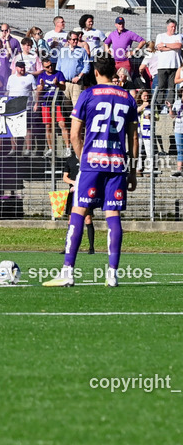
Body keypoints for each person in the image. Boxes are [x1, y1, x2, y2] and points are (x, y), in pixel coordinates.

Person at [44, 54, 138, 288]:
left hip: (91, 163)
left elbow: (75, 134)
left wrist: (81, 159)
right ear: (114, 71)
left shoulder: (87, 95)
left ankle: (68, 271)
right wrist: (133, 170)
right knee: (113, 215)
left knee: (78, 211)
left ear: (95, 72)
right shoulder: (128, 98)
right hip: (117, 163)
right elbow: (134, 137)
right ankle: (112, 275)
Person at [62, 151, 95, 256]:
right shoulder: (70, 160)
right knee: (71, 220)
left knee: (88, 219)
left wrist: (81, 185)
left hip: (85, 193)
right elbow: (65, 177)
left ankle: (91, 248)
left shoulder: (88, 159)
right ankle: (68, 247)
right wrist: (73, 183)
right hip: (73, 194)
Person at [153, 19, 181, 113]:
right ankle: (159, 107)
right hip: (162, 66)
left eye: (174, 27)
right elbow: (159, 48)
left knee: (172, 87)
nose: (173, 28)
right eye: (172, 27)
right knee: (161, 87)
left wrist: (165, 45)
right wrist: (172, 47)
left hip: (174, 65)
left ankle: (169, 107)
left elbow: (178, 45)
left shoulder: (178, 36)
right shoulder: (160, 36)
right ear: (167, 27)